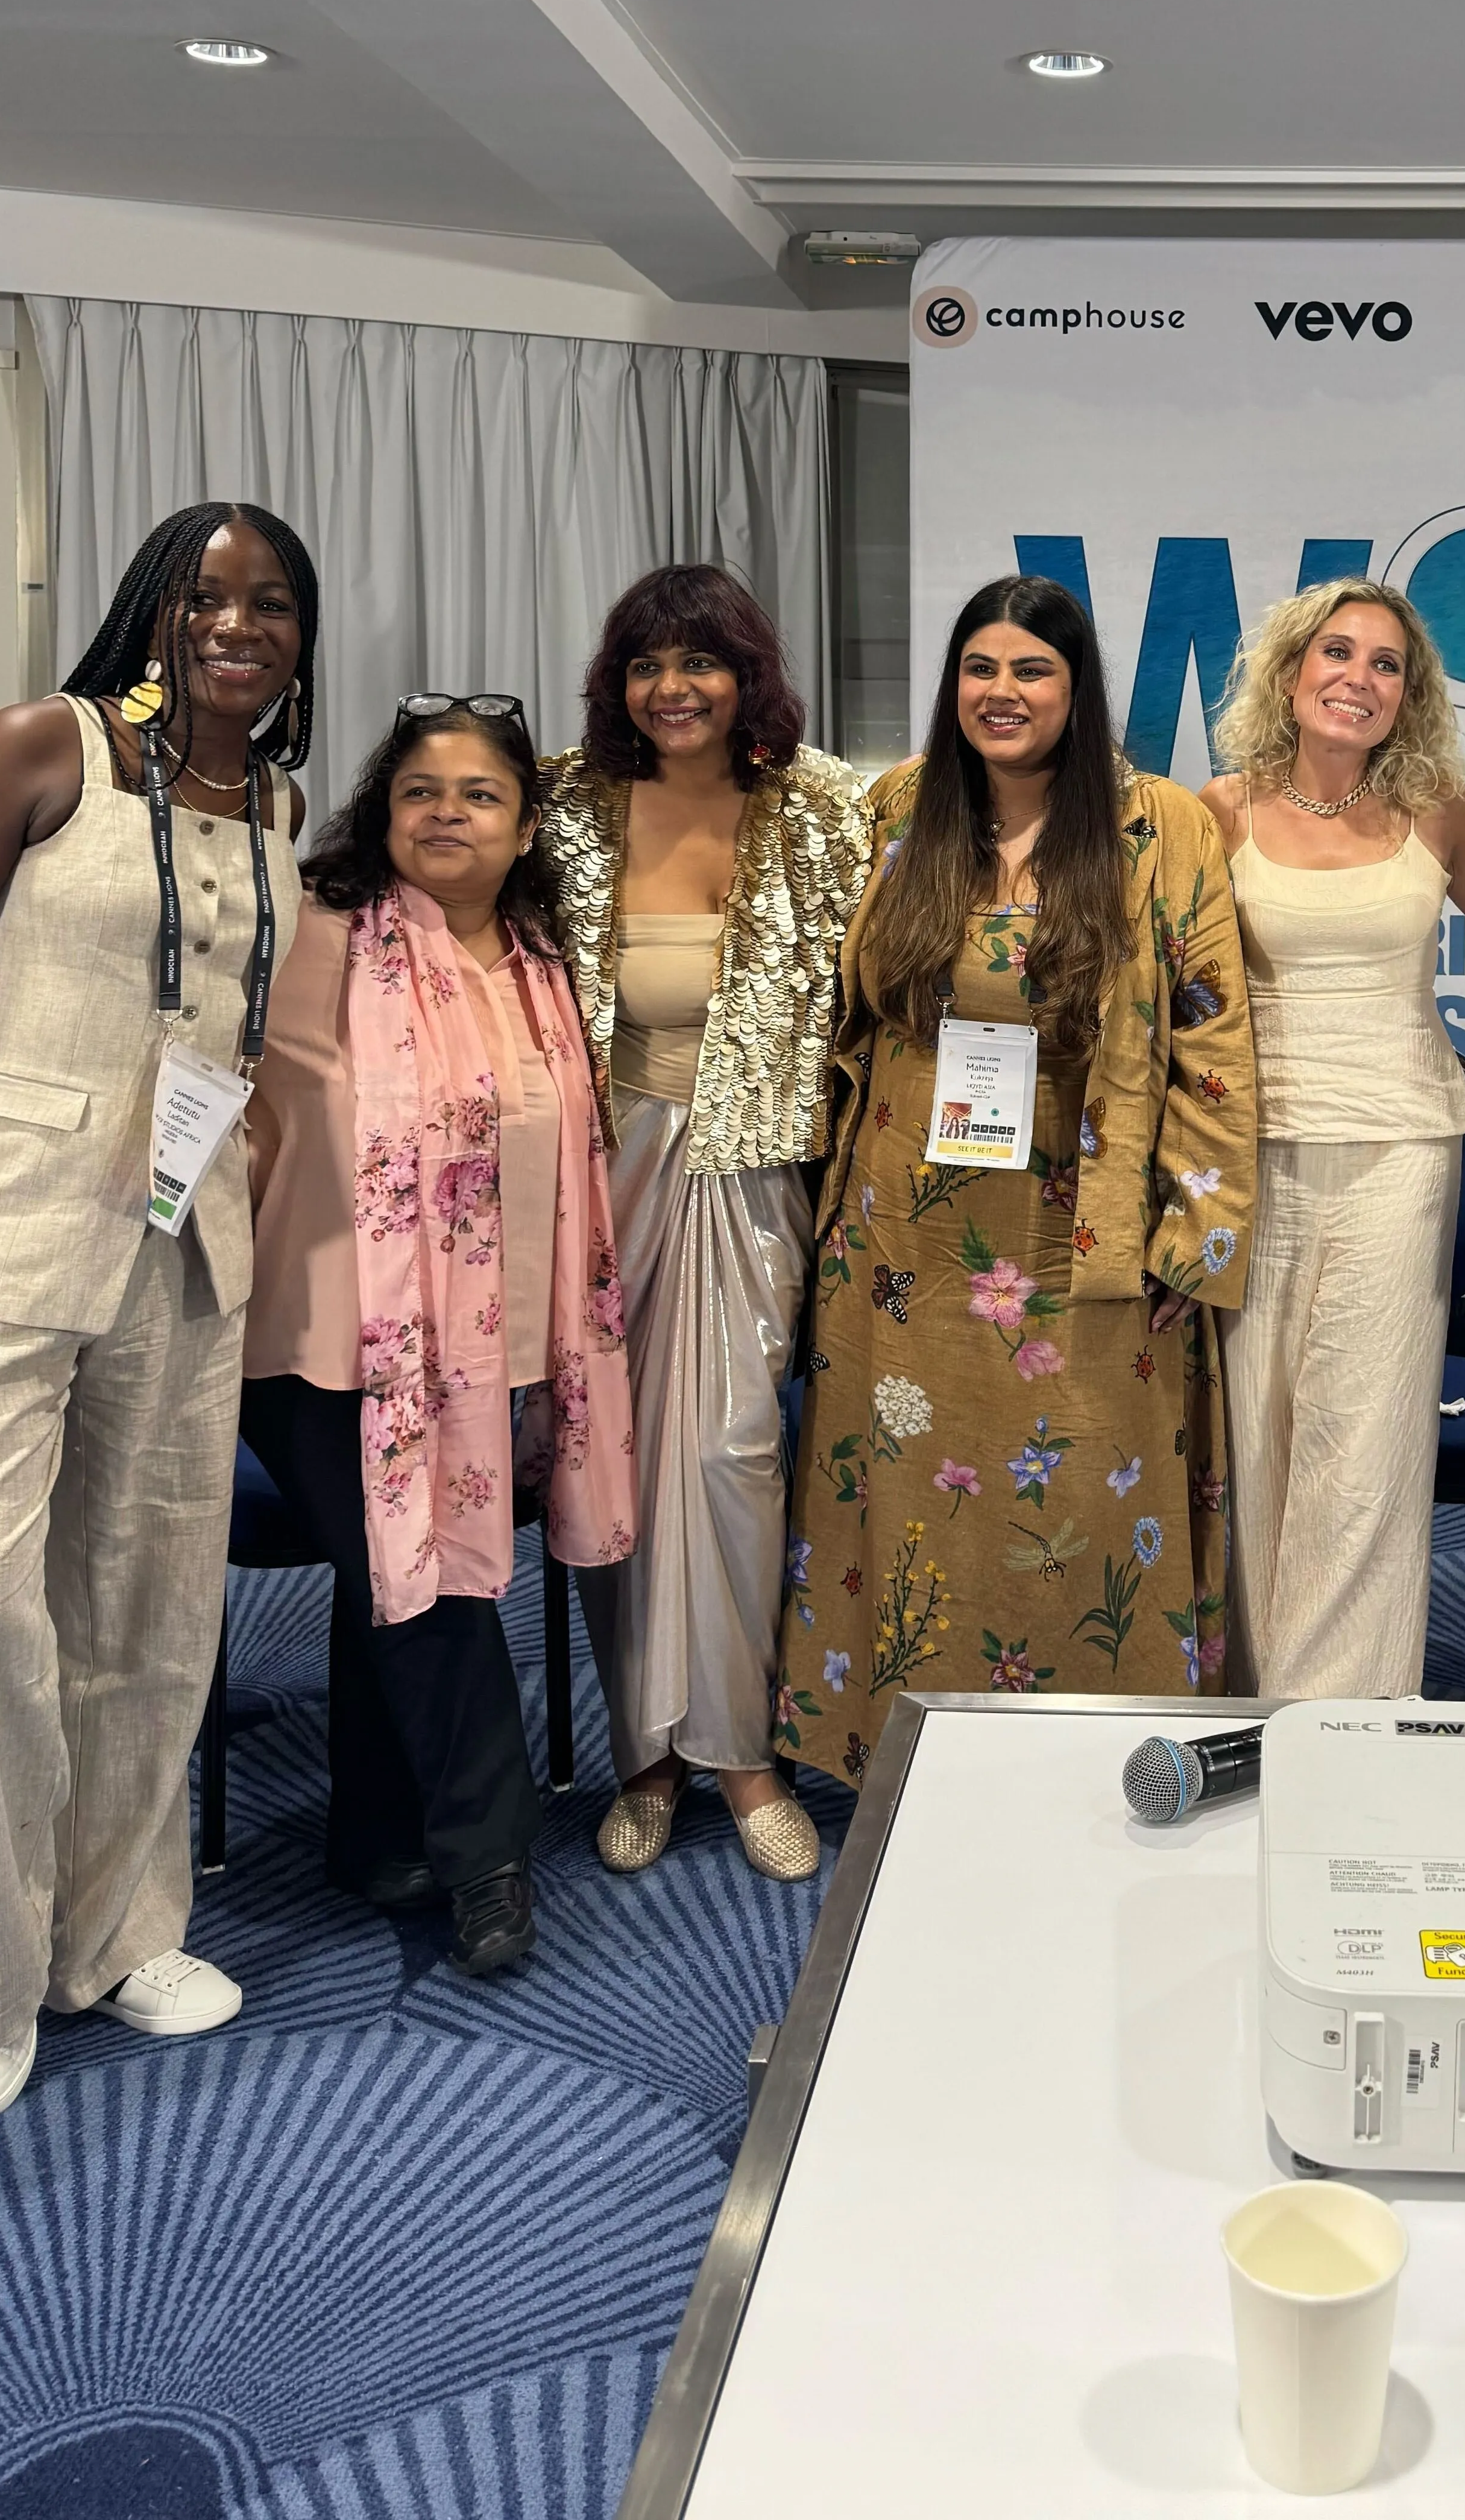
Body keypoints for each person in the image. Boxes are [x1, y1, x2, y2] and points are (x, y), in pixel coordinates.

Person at [0, 502, 315, 2121]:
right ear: (149, 608)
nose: (237, 624)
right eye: (206, 595)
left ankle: (119, 1933)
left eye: (271, 605)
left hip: (179, 1246)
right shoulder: (39, 750)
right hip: (0, 1235)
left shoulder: (272, 803)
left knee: (146, 1601)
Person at [779, 575, 1255, 1779]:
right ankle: (897, 1756)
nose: (1002, 692)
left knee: (1084, 1492)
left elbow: (1211, 1034)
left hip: (1082, 1226)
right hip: (902, 1238)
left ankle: (1090, 1750)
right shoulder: (898, 808)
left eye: (1031, 671)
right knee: (901, 1492)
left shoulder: (1160, 825)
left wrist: (1191, 1239)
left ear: (1075, 688)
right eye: (980, 668)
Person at [243, 695, 637, 1972]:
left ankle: (375, 1836)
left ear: (526, 828)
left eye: (479, 795)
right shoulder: (316, 939)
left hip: (492, 1349)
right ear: (383, 809)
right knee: (435, 1580)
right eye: (422, 791)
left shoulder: (536, 968)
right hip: (322, 1347)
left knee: (394, 1574)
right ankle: (490, 1856)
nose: (448, 814)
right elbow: (217, 1096)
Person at [538, 566, 868, 1881]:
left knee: (733, 1457)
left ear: (748, 674)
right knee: (605, 1462)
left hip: (748, 1172)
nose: (672, 689)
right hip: (595, 1173)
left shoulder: (825, 807)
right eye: (645, 665)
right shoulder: (559, 800)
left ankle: (741, 1755)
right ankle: (644, 1758)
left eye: (700, 662)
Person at [1202, 579, 1465, 1695]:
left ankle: (1338, 1718)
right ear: (1289, 673)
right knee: (1252, 1434)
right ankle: (1247, 1694)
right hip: (1246, 1156)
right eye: (1338, 653)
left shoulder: (1442, 813)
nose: (1358, 679)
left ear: (1407, 697)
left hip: (1401, 1153)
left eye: (1386, 665)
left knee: (1362, 1444)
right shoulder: (1217, 811)